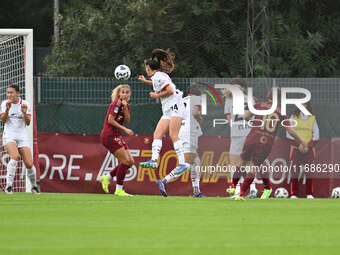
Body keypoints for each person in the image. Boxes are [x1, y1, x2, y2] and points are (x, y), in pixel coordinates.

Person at [234, 87, 308, 200]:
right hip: (266, 141)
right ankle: (267, 188)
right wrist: (302, 141)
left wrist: (258, 126)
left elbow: (246, 117)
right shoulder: (281, 111)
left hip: (253, 137)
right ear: (279, 98)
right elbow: (290, 130)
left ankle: (240, 193)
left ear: (268, 95)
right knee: (257, 165)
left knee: (251, 165)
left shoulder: (259, 105)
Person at [138, 49, 190, 191]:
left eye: (145, 68)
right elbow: (158, 84)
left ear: (148, 68)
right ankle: (154, 160)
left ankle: (182, 163)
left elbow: (170, 91)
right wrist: (145, 81)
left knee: (173, 134)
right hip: (168, 109)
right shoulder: (156, 77)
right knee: (157, 134)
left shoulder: (158, 77)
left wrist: (156, 95)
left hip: (175, 106)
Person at [156, 83, 206, 197]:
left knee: (196, 162)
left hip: (180, 131)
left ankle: (196, 191)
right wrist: (200, 119)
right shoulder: (196, 99)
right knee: (187, 164)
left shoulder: (182, 100)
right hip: (189, 133)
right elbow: (195, 113)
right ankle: (164, 181)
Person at [1, 84, 39, 194]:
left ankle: (34, 186)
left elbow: (28, 122)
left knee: (29, 164)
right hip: (9, 135)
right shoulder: (4, 104)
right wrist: (7, 110)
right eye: (8, 92)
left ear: (18, 93)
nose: (9, 95)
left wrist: (24, 112)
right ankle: (8, 187)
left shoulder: (25, 104)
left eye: (11, 92)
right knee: (14, 156)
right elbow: (3, 121)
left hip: (22, 137)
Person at [223, 76, 258, 198]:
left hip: (237, 133)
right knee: (249, 162)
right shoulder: (251, 99)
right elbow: (255, 117)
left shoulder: (228, 100)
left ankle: (236, 190)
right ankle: (253, 189)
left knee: (234, 163)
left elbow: (229, 120)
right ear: (243, 88)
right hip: (250, 132)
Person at [99, 84, 135, 196]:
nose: (125, 94)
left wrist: (125, 108)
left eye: (127, 92)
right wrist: (125, 129)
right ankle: (119, 190)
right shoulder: (115, 103)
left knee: (131, 162)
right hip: (109, 135)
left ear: (129, 94)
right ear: (119, 93)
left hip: (116, 135)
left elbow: (127, 120)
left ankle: (106, 177)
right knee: (125, 161)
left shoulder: (125, 105)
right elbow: (110, 120)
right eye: (123, 92)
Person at [286, 101, 319, 199]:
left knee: (309, 172)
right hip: (296, 149)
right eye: (301, 104)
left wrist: (307, 146)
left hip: (308, 150)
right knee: (295, 172)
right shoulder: (293, 117)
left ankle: (309, 194)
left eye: (305, 104)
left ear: (308, 106)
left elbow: (316, 135)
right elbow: (289, 134)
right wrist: (299, 145)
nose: (303, 106)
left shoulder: (312, 118)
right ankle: (294, 194)